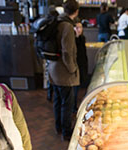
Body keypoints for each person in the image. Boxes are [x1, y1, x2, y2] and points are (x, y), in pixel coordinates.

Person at [47, 0, 80, 141]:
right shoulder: (67, 26)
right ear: (76, 11)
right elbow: (67, 52)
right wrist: (72, 69)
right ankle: (67, 132)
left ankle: (58, 127)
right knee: (67, 103)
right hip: (64, 71)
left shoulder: (56, 22)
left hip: (53, 69)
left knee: (57, 100)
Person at [73, 22, 88, 113]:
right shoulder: (73, 39)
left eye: (80, 27)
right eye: (77, 27)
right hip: (75, 66)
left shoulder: (83, 38)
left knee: (80, 86)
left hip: (82, 65)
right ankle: (73, 107)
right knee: (75, 88)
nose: (79, 30)